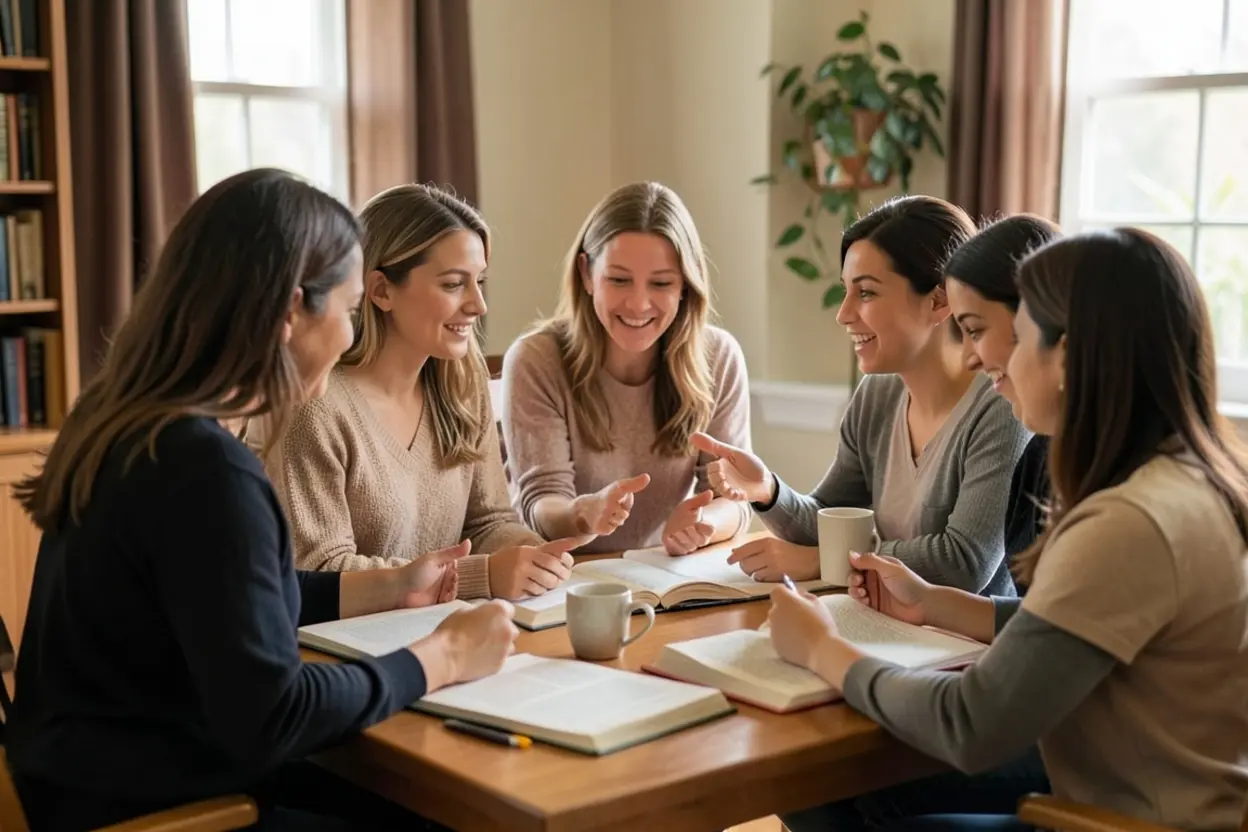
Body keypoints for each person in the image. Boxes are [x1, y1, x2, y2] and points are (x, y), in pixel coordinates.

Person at [5, 169, 519, 832]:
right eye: (348, 307)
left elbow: (220, 597)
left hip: (80, 784)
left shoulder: (126, 422)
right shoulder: (205, 469)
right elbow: (275, 715)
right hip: (169, 811)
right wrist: (441, 657)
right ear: (287, 317)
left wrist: (389, 586)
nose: (348, 333)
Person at [771, 228, 1248, 831]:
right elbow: (1086, 624)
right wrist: (942, 605)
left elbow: (970, 724)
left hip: (1112, 822)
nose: (976, 357)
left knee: (821, 782)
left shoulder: (1129, 523)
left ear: (1070, 357)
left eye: (1017, 336)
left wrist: (821, 648)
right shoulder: (1191, 481)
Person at [698, 196, 1030, 596]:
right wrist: (767, 490)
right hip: (883, 625)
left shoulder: (1001, 406)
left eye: (867, 293)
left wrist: (827, 561)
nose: (843, 313)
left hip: (962, 649)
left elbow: (965, 562)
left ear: (939, 300)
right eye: (845, 291)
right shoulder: (877, 394)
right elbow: (828, 519)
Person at [266, 183, 583, 601]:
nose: (478, 305)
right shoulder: (317, 407)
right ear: (380, 291)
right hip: (347, 652)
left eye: (479, 283)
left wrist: (533, 553)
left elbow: (487, 522)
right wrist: (479, 576)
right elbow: (320, 573)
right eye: (453, 285)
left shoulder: (463, 385)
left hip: (454, 635)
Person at [502, 181, 751, 555]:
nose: (638, 304)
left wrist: (704, 524)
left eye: (661, 283)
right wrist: (583, 514)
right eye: (618, 280)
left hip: (665, 580)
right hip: (565, 583)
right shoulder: (536, 359)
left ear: (686, 283)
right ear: (586, 274)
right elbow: (539, 504)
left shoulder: (720, 356)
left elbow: (734, 499)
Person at [944, 214, 1061, 559]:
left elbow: (965, 559)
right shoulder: (1041, 455)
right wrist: (927, 599)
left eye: (976, 330)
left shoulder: (1120, 504)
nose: (969, 359)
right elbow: (1035, 609)